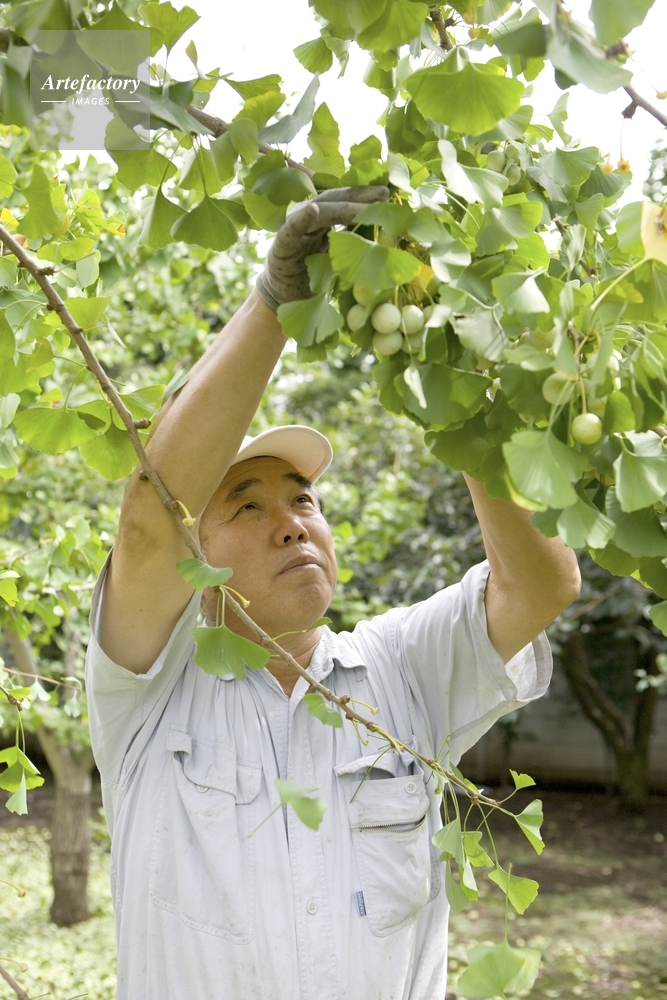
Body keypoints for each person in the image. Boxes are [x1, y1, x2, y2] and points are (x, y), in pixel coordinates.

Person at [85, 186, 581, 1000]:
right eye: (247, 507)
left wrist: (453, 387)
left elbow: (540, 584)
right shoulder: (146, 691)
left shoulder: (401, 670)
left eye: (303, 501)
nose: (290, 525)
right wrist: (277, 300)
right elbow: (147, 524)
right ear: (192, 555)